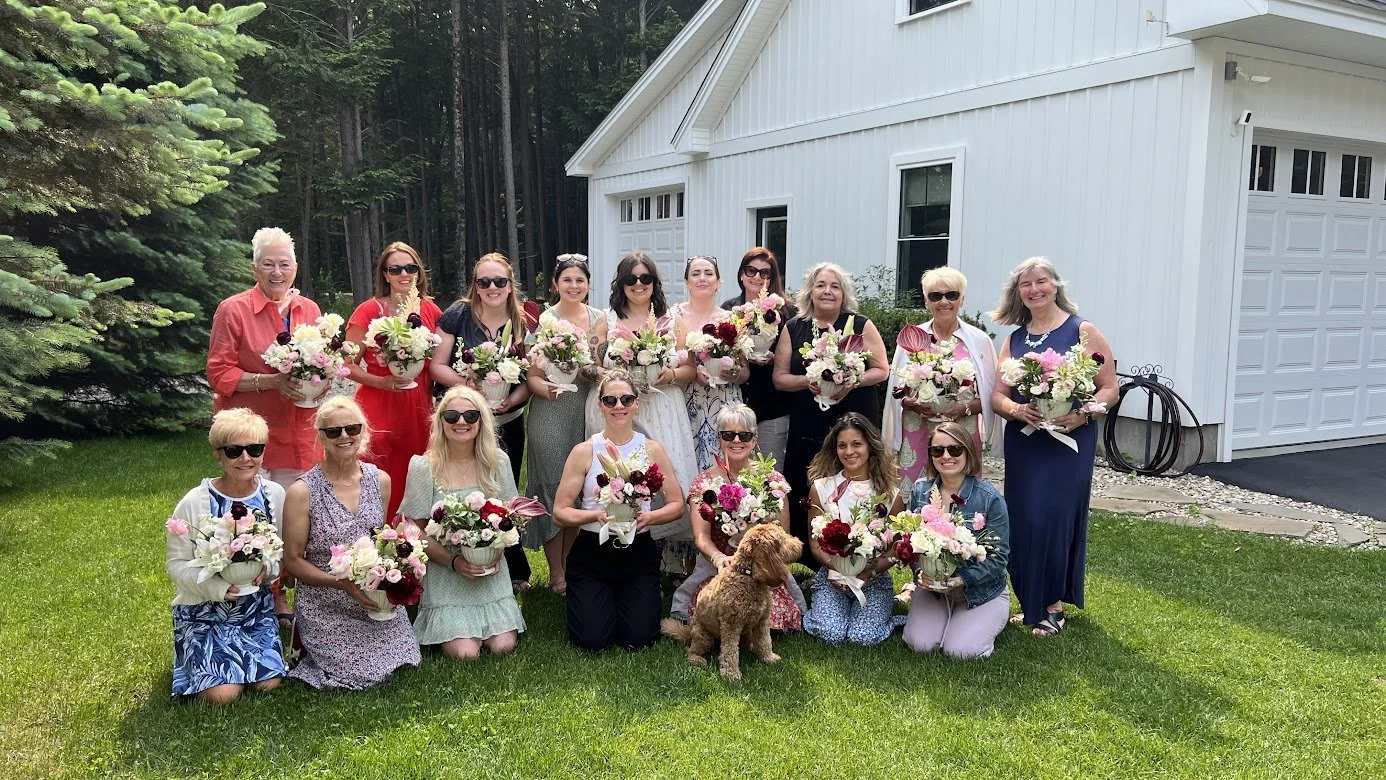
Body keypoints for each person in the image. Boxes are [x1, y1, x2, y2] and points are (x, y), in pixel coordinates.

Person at [989, 257, 1118, 636]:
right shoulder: (1014, 339)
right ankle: (1031, 601)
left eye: (1041, 281)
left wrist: (1085, 414)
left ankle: (1053, 606)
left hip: (1069, 443)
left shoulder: (1082, 331)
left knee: (1054, 518)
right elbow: (998, 395)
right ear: (1018, 294)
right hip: (1025, 442)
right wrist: (1016, 409)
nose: (1035, 289)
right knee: (1024, 519)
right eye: (1026, 285)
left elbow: (1109, 386)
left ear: (1055, 286)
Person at [206, 226, 320, 623]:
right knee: (253, 515)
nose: (277, 271)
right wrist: (267, 381)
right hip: (250, 435)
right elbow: (218, 371)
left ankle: (291, 591)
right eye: (268, 264)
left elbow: (323, 363)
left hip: (300, 430)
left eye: (284, 263)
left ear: (295, 267)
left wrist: (320, 384)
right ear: (254, 268)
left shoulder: (309, 309)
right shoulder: (233, 309)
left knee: (294, 517)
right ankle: (259, 594)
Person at [282, 398, 420, 689]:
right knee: (358, 673)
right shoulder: (301, 491)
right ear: (321, 437)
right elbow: (292, 560)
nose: (344, 436)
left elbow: (379, 541)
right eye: (334, 432)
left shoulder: (380, 480)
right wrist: (340, 583)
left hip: (372, 599)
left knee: (404, 658)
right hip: (326, 599)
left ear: (363, 431)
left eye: (352, 428)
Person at [553, 371, 687, 651]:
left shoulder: (652, 449)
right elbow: (560, 511)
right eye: (610, 400)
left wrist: (650, 517)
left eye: (626, 399)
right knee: (592, 640)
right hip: (592, 551)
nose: (618, 406)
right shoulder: (584, 451)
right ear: (600, 406)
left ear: (637, 403)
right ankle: (592, 599)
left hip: (638, 550)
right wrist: (594, 515)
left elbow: (677, 503)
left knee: (639, 639)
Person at [586, 252, 699, 574]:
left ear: (654, 283)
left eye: (645, 278)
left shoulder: (672, 320)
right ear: (621, 283)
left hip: (662, 405)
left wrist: (670, 375)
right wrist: (615, 377)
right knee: (618, 475)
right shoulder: (605, 321)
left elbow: (691, 367)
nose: (638, 284)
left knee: (668, 474)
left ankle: (674, 560)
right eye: (631, 279)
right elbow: (588, 365)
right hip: (618, 408)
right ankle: (620, 542)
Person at [166, 408, 286, 704]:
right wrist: (217, 588)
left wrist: (268, 569)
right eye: (234, 451)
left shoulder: (274, 495)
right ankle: (194, 655)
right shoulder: (195, 502)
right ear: (218, 456)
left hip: (255, 610)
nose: (245, 458)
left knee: (269, 685)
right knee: (223, 695)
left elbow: (279, 551)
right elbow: (176, 564)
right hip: (204, 613)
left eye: (255, 449)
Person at [773, 263, 889, 567]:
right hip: (809, 420)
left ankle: (861, 553)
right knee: (808, 480)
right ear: (810, 291)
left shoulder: (861, 325)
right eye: (821, 284)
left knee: (855, 477)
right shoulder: (794, 327)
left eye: (835, 286)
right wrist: (807, 382)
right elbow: (780, 378)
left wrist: (850, 381)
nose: (827, 291)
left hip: (854, 414)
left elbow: (881, 370)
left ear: (844, 293)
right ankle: (812, 556)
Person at [433, 252, 535, 590]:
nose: (492, 287)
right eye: (484, 281)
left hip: (508, 417)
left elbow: (527, 379)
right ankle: (459, 552)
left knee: (502, 484)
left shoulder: (524, 320)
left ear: (510, 286)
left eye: (499, 281)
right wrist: (468, 388)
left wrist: (510, 401)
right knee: (461, 482)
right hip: (461, 418)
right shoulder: (458, 315)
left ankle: (512, 560)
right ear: (475, 286)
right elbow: (438, 366)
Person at [400, 386, 525, 659]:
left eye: (470, 415)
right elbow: (413, 528)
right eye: (452, 416)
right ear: (440, 420)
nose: (461, 422)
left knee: (503, 646)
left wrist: (497, 550)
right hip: (446, 570)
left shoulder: (497, 461)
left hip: (491, 571)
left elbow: (512, 516)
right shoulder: (424, 467)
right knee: (465, 652)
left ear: (481, 421)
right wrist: (454, 562)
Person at [669, 403, 806, 628]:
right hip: (720, 569)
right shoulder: (704, 483)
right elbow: (701, 537)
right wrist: (719, 558)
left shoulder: (773, 482)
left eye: (744, 435)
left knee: (770, 619)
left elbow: (783, 534)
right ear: (719, 438)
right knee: (719, 613)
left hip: (762, 568)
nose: (736, 440)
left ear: (754, 439)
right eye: (728, 434)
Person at [524, 254, 606, 595]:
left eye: (580, 280)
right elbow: (532, 375)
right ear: (555, 284)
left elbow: (598, 364)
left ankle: (571, 567)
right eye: (567, 280)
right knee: (550, 484)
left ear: (588, 285)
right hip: (550, 408)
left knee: (577, 488)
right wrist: (549, 389)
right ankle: (556, 572)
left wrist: (599, 373)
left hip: (585, 409)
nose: (574, 286)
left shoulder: (599, 319)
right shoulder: (543, 319)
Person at [343, 242, 443, 520]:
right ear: (385, 275)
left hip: (418, 408)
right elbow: (346, 364)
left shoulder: (431, 311)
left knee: (415, 474)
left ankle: (412, 542)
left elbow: (439, 362)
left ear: (418, 272)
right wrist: (380, 381)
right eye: (395, 269)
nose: (404, 274)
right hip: (378, 405)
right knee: (376, 475)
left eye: (410, 268)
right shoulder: (368, 310)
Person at [900, 422, 1011, 659]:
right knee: (920, 644)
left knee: (959, 651)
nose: (946, 456)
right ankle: (947, 620)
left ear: (967, 452)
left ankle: (980, 622)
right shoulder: (920, 492)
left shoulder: (990, 498)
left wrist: (961, 580)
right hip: (934, 592)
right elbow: (910, 544)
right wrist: (919, 572)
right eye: (937, 450)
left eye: (955, 449)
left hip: (980, 593)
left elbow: (999, 558)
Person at [882, 267, 997, 484]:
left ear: (961, 300)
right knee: (915, 488)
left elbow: (991, 394)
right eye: (935, 296)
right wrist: (910, 402)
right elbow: (896, 391)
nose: (944, 302)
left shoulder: (979, 341)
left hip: (962, 429)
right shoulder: (911, 339)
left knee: (960, 489)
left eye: (951, 295)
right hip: (918, 426)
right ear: (926, 302)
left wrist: (963, 408)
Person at [800, 414, 902, 646]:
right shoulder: (821, 488)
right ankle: (820, 609)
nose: (849, 452)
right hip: (832, 575)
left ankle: (890, 619)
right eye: (842, 445)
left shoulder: (890, 494)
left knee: (863, 637)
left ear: (870, 447)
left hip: (872, 577)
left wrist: (867, 574)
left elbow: (895, 548)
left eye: (857, 444)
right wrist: (836, 568)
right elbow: (815, 544)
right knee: (831, 633)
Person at [720, 247, 796, 465]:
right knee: (735, 472)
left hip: (773, 406)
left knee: (769, 473)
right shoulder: (729, 309)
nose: (756, 277)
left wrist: (776, 358)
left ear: (772, 278)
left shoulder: (787, 312)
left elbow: (796, 359)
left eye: (764, 273)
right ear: (741, 274)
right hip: (735, 404)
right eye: (751, 270)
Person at [675, 254, 749, 470]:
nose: (702, 278)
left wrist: (735, 374)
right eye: (695, 274)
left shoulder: (731, 319)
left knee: (724, 465)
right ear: (686, 282)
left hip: (724, 401)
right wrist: (690, 371)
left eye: (709, 273)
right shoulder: (673, 316)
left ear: (719, 282)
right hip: (686, 398)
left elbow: (745, 372)